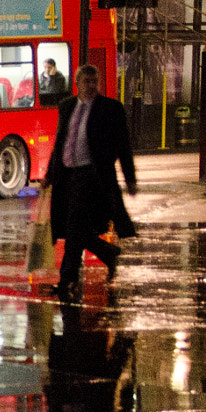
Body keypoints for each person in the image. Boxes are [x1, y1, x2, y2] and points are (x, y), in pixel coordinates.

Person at [46, 64, 136, 298]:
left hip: (93, 178)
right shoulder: (67, 107)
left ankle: (67, 281)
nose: (91, 85)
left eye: (95, 81)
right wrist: (49, 174)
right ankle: (108, 253)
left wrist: (130, 178)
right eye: (86, 81)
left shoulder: (110, 108)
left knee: (74, 229)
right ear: (77, 83)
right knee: (75, 229)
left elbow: (123, 145)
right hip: (68, 177)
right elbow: (61, 143)